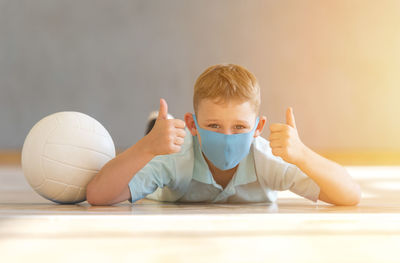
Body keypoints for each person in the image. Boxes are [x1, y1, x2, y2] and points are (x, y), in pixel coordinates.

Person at [86, 64, 361, 206]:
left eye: (239, 127)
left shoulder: (268, 159)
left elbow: (349, 195)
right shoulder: (176, 158)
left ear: (258, 128)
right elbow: (99, 195)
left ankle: (166, 127)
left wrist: (302, 154)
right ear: (193, 126)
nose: (228, 137)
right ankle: (157, 130)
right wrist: (146, 148)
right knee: (160, 140)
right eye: (214, 126)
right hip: (168, 165)